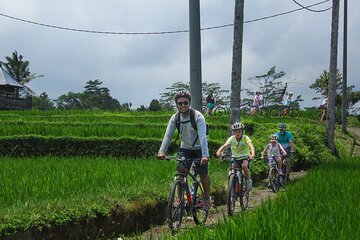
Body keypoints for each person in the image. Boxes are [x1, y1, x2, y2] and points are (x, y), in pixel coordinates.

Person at [157, 91, 211, 210]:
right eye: (179, 103)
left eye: (185, 103)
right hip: (185, 149)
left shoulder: (198, 116)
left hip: (199, 149)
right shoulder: (175, 118)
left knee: (203, 174)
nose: (182, 105)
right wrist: (161, 151)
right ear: (176, 105)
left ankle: (207, 198)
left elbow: (203, 137)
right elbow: (168, 136)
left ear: (189, 102)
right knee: (181, 174)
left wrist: (205, 155)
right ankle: (180, 199)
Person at [215, 122, 255, 191]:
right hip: (235, 158)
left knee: (244, 166)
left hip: (244, 157)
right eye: (236, 132)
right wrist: (219, 151)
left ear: (242, 131)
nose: (237, 133)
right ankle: (233, 187)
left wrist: (252, 154)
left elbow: (250, 145)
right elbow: (225, 145)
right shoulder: (232, 138)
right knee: (232, 171)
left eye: (239, 131)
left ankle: (248, 180)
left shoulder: (245, 138)